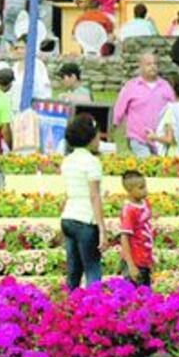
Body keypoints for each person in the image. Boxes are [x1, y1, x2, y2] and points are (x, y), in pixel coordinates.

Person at [60, 113, 107, 289]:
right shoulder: (92, 162)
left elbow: (68, 192)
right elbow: (94, 196)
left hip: (68, 218)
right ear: (90, 137)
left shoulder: (68, 160)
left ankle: (70, 306)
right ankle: (94, 308)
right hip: (85, 219)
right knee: (92, 268)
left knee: (73, 270)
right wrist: (102, 229)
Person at [112, 52, 175, 158]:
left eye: (155, 64)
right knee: (146, 164)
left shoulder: (165, 86)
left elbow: (174, 109)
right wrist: (115, 124)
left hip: (160, 138)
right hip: (138, 138)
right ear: (140, 66)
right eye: (149, 64)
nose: (153, 67)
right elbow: (119, 108)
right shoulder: (131, 86)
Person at [118, 170, 154, 287]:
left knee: (146, 293)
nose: (145, 190)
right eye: (141, 188)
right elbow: (124, 237)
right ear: (129, 190)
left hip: (144, 259)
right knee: (134, 296)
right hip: (134, 260)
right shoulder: (129, 210)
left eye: (145, 186)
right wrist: (131, 265)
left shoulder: (144, 203)